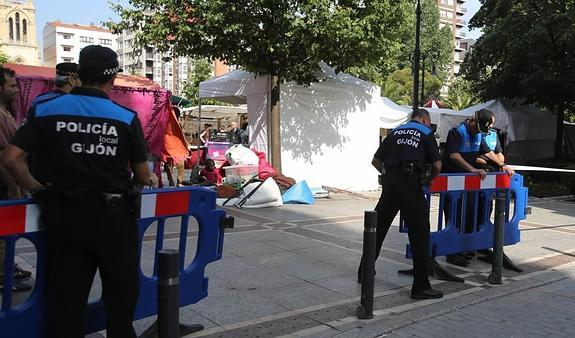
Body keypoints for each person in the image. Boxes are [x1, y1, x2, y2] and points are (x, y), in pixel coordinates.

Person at [2, 45, 158, 337]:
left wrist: (39, 190)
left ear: (79, 74)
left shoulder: (46, 109)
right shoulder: (124, 117)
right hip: (113, 221)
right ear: (112, 78)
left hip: (64, 218)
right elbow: (141, 174)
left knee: (66, 305)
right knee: (120, 302)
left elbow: (11, 158)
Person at [358, 108, 443, 300]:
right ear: (424, 119)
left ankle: (364, 272)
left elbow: (375, 161)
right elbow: (437, 165)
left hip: (390, 185)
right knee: (420, 233)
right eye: (428, 122)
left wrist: (389, 173)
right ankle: (421, 287)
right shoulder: (426, 133)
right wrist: (428, 179)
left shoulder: (395, 131)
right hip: (411, 185)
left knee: (377, 229)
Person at [443, 109, 514, 267]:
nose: (477, 132)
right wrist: (472, 169)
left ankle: (468, 247)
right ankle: (452, 252)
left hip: (469, 184)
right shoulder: (457, 132)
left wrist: (502, 165)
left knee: (469, 214)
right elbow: (454, 155)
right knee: (454, 217)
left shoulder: (479, 133)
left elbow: (487, 152)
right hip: (454, 182)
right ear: (473, 121)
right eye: (476, 129)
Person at [0, 66, 33, 292]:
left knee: (9, 230)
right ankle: (3, 275)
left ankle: (7, 266)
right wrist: (14, 187)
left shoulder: (7, 113)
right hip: (4, 184)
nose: (16, 90)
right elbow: (3, 156)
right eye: (11, 86)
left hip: (11, 182)